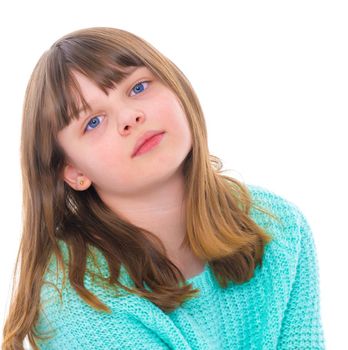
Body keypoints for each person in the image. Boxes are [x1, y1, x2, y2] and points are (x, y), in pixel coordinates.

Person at [2, 27, 325, 350]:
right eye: (93, 122)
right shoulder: (74, 295)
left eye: (138, 87)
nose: (130, 117)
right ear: (74, 171)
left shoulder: (279, 226)